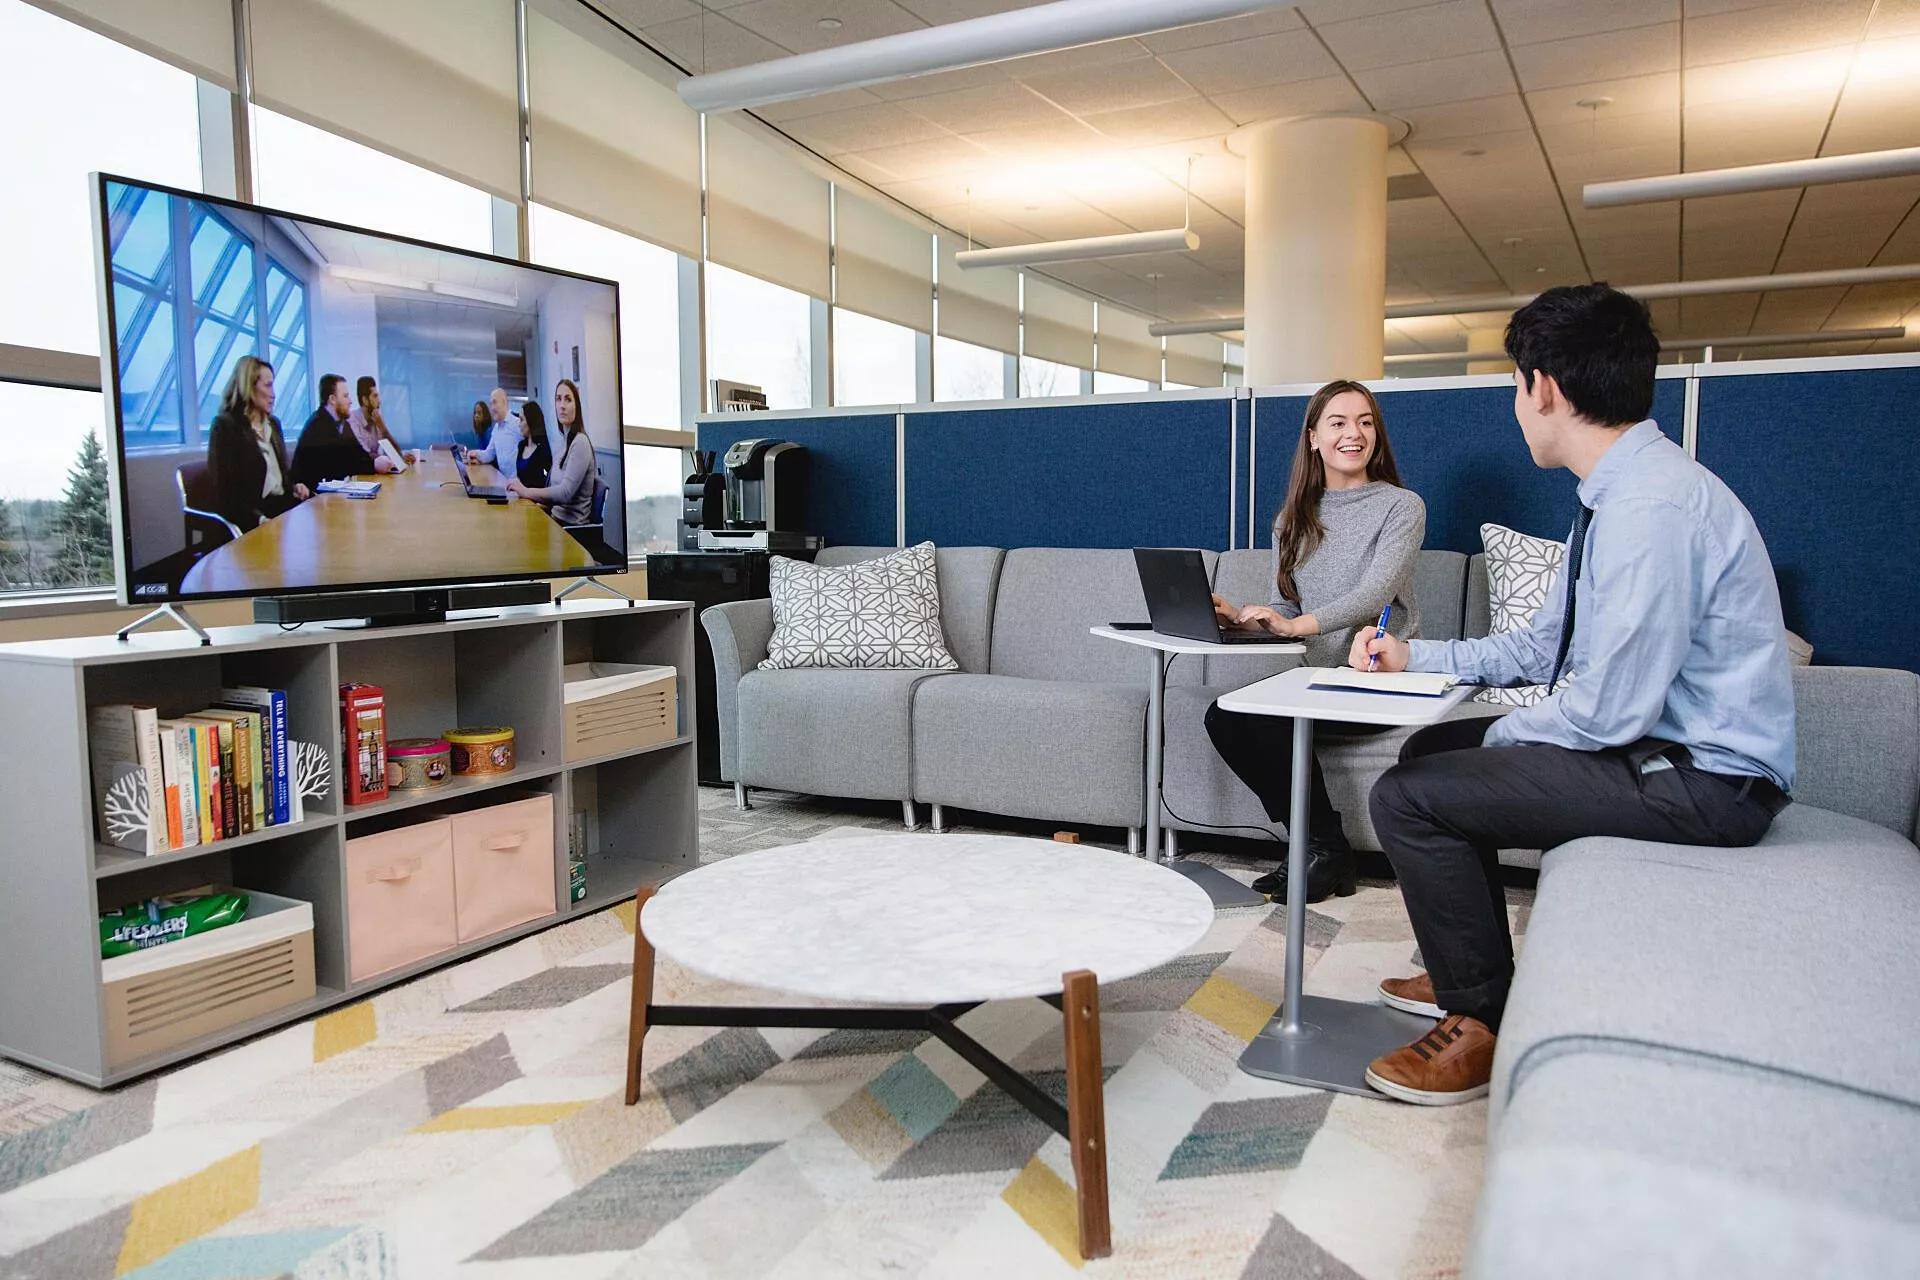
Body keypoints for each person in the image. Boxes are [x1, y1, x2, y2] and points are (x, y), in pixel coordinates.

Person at [1351, 284, 1795, 1107]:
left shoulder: (1650, 510)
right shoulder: (1616, 497)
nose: (1518, 406)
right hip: (1664, 755)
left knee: (1412, 796)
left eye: (1517, 387)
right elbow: (1536, 648)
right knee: (1427, 754)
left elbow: (1607, 711)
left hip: (1706, 784)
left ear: (1544, 387)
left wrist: (1498, 741)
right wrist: (1415, 656)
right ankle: (1470, 968)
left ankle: (1478, 1019)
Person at [1203, 380, 1426, 903]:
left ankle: (1320, 851)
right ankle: (1321, 846)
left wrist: (1296, 627)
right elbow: (1289, 607)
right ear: (1314, 438)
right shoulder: (1291, 520)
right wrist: (1243, 616)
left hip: (1375, 674)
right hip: (1312, 679)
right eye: (1340, 423)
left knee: (1273, 721)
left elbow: (1374, 593)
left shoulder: (1401, 507)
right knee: (1226, 716)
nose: (1355, 433)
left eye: (1366, 422)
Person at [207, 355, 308, 531]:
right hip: (252, 517)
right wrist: (260, 520)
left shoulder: (273, 425)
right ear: (249, 387)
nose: (273, 394)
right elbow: (227, 497)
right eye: (267, 386)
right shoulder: (226, 427)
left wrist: (294, 487)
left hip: (281, 509)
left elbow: (279, 477)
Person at [508, 378, 597, 525]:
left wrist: (525, 491)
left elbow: (564, 493)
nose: (562, 405)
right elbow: (552, 491)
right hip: (555, 520)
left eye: (568, 400)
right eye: (558, 399)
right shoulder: (563, 444)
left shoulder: (580, 442)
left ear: (577, 406)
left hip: (571, 530)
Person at [291, 373, 376, 489]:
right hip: (313, 499)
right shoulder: (317, 426)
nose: (350, 401)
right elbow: (346, 464)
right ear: (332, 399)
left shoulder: (342, 424)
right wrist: (374, 464)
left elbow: (359, 454)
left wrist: (375, 462)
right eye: (345, 396)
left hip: (332, 494)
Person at [460, 386, 520, 477]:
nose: (492, 408)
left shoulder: (517, 424)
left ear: (504, 402)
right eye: (491, 404)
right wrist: (474, 453)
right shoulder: (496, 428)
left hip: (517, 484)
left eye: (495, 402)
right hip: (503, 482)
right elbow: (489, 454)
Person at [346, 376, 400, 474]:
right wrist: (393, 459)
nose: (379, 401)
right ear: (365, 400)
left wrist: (383, 427)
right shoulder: (352, 421)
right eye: (375, 396)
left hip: (373, 475)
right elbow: (364, 456)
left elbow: (395, 454)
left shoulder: (376, 419)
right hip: (359, 478)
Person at [513, 400, 553, 490]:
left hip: (536, 501)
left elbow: (546, 481)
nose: (519, 425)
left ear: (531, 421)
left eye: (521, 420)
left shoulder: (543, 450)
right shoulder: (521, 446)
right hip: (520, 498)